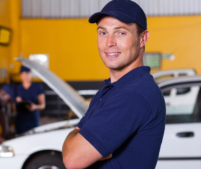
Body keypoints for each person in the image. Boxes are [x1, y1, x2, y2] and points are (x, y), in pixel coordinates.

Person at [62, 0, 166, 169]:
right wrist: (75, 137)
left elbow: (72, 159)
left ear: (142, 38)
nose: (109, 42)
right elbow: (75, 142)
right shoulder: (110, 91)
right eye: (103, 33)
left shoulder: (133, 95)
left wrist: (76, 136)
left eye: (121, 33)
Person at [15, 65, 46, 134]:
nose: (25, 76)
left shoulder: (38, 87)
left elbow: (43, 105)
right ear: (20, 75)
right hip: (20, 120)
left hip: (33, 120)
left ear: (30, 74)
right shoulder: (17, 88)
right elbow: (14, 107)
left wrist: (35, 107)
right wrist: (18, 102)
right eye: (23, 74)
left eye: (27, 73)